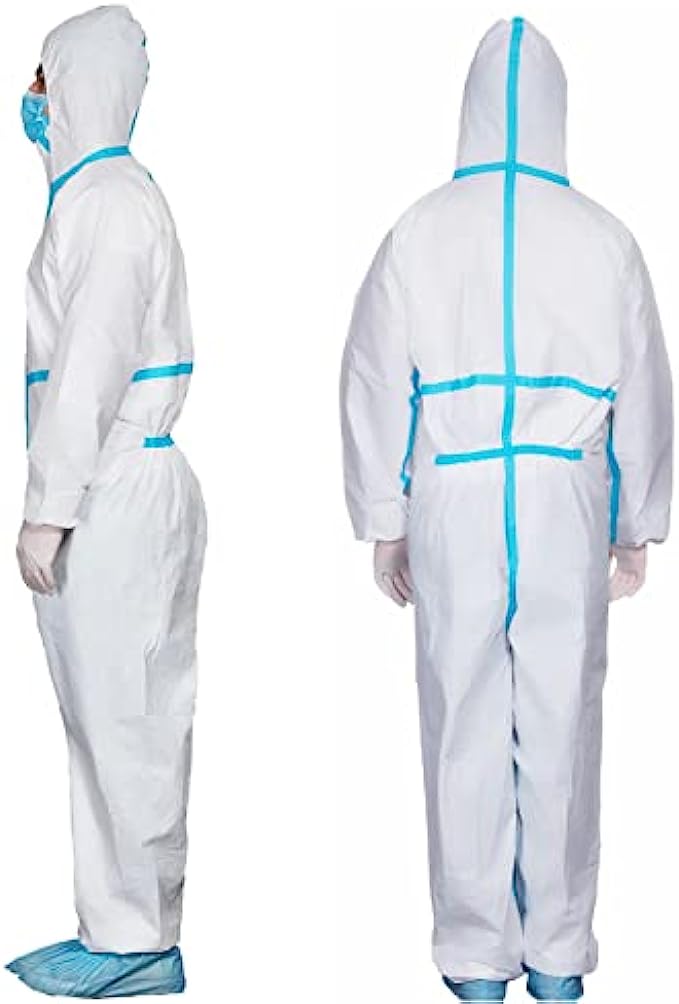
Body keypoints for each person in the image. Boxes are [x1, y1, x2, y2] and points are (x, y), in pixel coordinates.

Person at [341, 17, 672, 1003]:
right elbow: (646, 391)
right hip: (565, 490)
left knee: (462, 720)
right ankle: (558, 955)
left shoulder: (419, 228)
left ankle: (476, 956)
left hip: (455, 490)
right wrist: (634, 521)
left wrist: (386, 516)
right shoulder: (605, 238)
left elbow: (371, 378)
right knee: (564, 717)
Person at [9, 6, 207, 998]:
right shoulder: (94, 198)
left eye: (44, 78)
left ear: (82, 83)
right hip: (114, 483)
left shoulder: (109, 204)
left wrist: (48, 506)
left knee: (125, 714)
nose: (31, 99)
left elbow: (88, 367)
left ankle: (138, 942)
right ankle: (116, 925)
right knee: (105, 712)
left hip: (113, 489)